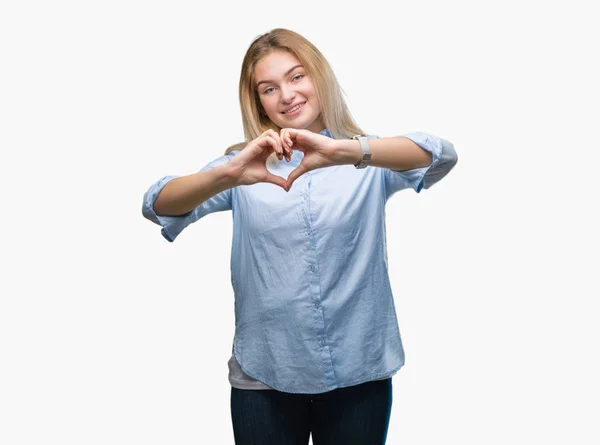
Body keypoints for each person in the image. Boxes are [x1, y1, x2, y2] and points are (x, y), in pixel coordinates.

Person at [142, 28, 458, 445]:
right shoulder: (243, 167)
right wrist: (227, 174)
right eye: (269, 88)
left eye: (297, 77)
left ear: (319, 78)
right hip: (265, 373)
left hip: (357, 371)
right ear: (258, 102)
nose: (286, 95)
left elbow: (440, 155)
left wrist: (347, 152)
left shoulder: (368, 158)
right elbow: (157, 204)